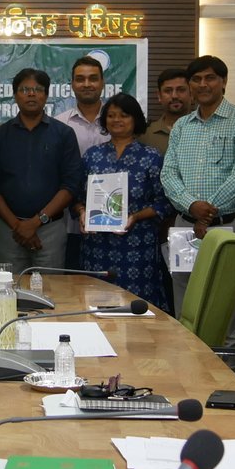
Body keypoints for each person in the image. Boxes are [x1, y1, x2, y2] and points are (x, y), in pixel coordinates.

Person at [161, 55, 235, 339]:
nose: (203, 84)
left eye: (210, 78)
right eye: (196, 79)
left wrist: (206, 214)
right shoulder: (182, 126)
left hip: (227, 225)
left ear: (224, 81)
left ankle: (231, 367)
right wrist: (191, 205)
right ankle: (188, 363)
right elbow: (168, 174)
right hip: (185, 226)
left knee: (228, 304)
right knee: (185, 304)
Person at [0, 67, 84, 273]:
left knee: (50, 289)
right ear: (15, 95)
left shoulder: (63, 134)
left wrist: (37, 221)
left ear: (46, 95)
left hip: (50, 229)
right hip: (10, 230)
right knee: (8, 288)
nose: (31, 94)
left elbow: (70, 185)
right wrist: (18, 226)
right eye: (24, 89)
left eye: (37, 89)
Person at [80, 93, 171, 311]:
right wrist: (82, 212)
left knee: (136, 307)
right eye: (111, 115)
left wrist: (135, 217)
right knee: (97, 305)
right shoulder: (92, 155)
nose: (116, 120)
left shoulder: (151, 156)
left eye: (123, 115)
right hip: (97, 247)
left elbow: (164, 202)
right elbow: (77, 197)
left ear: (135, 119)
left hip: (137, 246)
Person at [56, 56, 110, 268]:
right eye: (80, 79)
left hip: (113, 219)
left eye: (93, 78)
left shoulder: (118, 121)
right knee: (73, 279)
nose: (87, 84)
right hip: (69, 223)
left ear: (103, 82)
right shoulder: (60, 124)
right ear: (72, 84)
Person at [142, 67, 191, 156]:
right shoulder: (145, 135)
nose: (174, 96)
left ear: (191, 93)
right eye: (168, 91)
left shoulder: (205, 130)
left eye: (181, 90)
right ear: (159, 96)